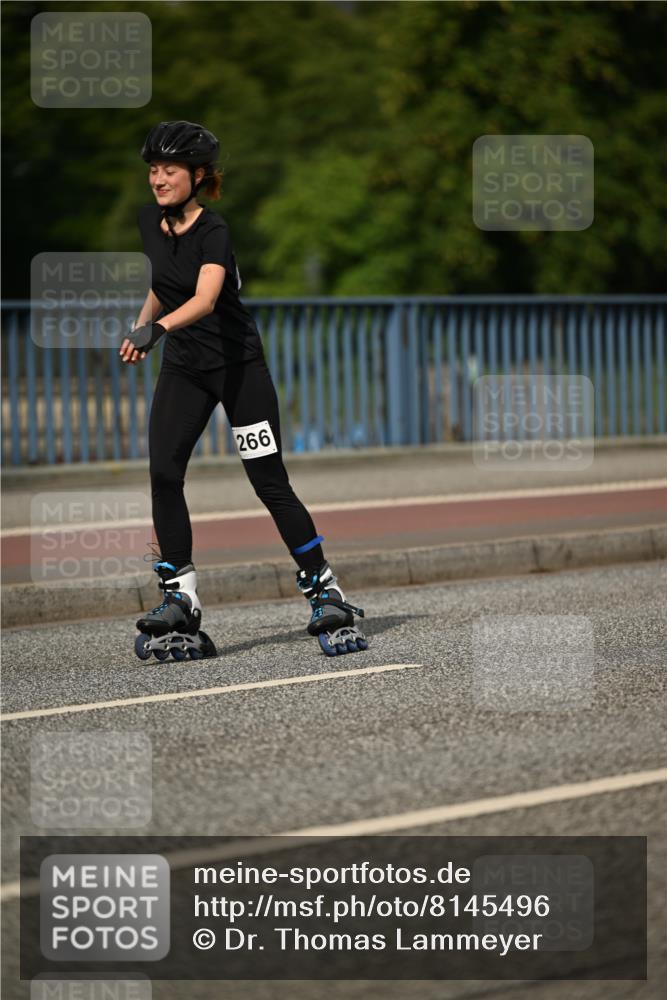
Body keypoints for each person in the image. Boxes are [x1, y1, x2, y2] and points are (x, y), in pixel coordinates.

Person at [120, 120, 367, 660]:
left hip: (238, 370)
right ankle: (179, 597)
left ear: (198, 175)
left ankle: (326, 591)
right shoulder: (148, 222)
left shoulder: (215, 230)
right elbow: (162, 286)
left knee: (268, 482)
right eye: (153, 170)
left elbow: (207, 298)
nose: (158, 180)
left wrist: (158, 330)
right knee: (164, 472)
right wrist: (144, 326)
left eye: (170, 170)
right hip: (184, 368)